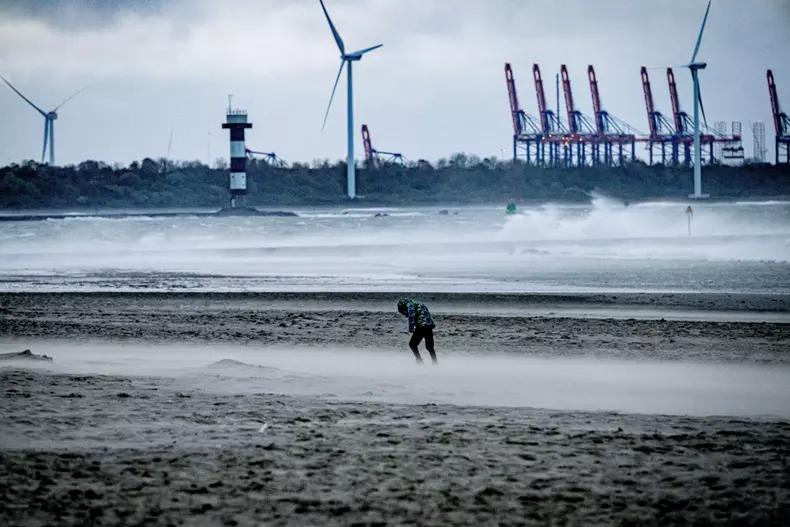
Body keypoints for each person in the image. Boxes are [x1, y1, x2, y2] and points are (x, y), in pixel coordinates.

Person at [397, 298, 438, 365]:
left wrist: (411, 327)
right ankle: (435, 362)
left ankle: (419, 360)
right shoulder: (420, 304)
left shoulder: (410, 305)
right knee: (430, 347)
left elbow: (411, 316)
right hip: (429, 326)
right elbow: (427, 314)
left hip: (421, 327)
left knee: (412, 344)